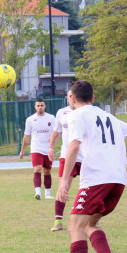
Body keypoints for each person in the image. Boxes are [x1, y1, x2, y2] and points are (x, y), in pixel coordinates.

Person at [54, 80, 127, 253]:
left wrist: (64, 180)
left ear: (73, 100)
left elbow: (74, 145)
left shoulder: (75, 115)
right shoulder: (109, 117)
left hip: (96, 178)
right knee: (89, 224)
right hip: (118, 180)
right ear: (93, 99)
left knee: (74, 226)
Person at [48, 89, 84, 232]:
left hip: (85, 156)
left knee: (89, 188)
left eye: (74, 96)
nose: (72, 98)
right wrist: (51, 147)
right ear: (67, 99)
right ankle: (58, 220)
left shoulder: (85, 113)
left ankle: (87, 219)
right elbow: (56, 131)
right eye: (70, 96)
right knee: (63, 187)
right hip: (66, 156)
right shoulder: (61, 113)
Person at [19, 99, 56, 200]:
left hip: (47, 149)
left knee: (47, 171)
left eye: (42, 105)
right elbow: (26, 136)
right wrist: (22, 151)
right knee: (37, 169)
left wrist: (52, 141)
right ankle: (38, 192)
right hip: (36, 149)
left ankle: (48, 194)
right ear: (35, 107)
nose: (40, 107)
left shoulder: (51, 118)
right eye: (38, 105)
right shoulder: (30, 120)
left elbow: (56, 133)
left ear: (45, 106)